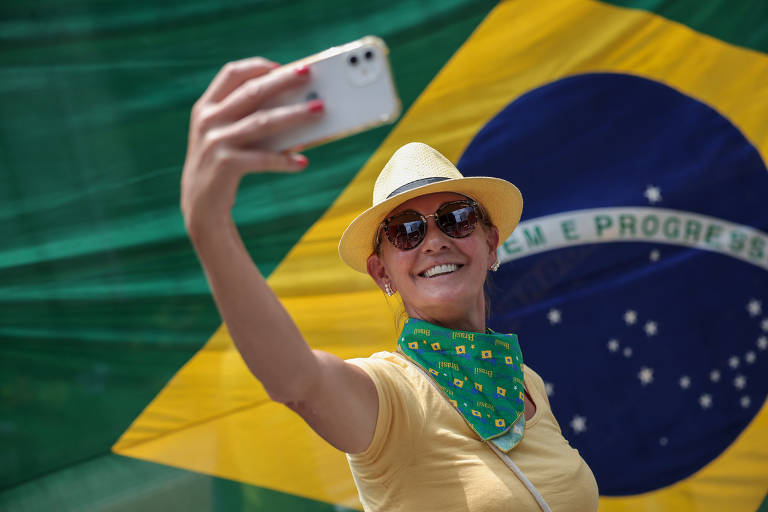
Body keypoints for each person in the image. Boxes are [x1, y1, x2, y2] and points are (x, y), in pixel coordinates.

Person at [181, 57, 599, 512]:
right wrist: (209, 224)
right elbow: (297, 380)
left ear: (490, 243)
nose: (434, 242)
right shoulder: (390, 396)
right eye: (406, 231)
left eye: (455, 219)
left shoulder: (525, 383)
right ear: (383, 273)